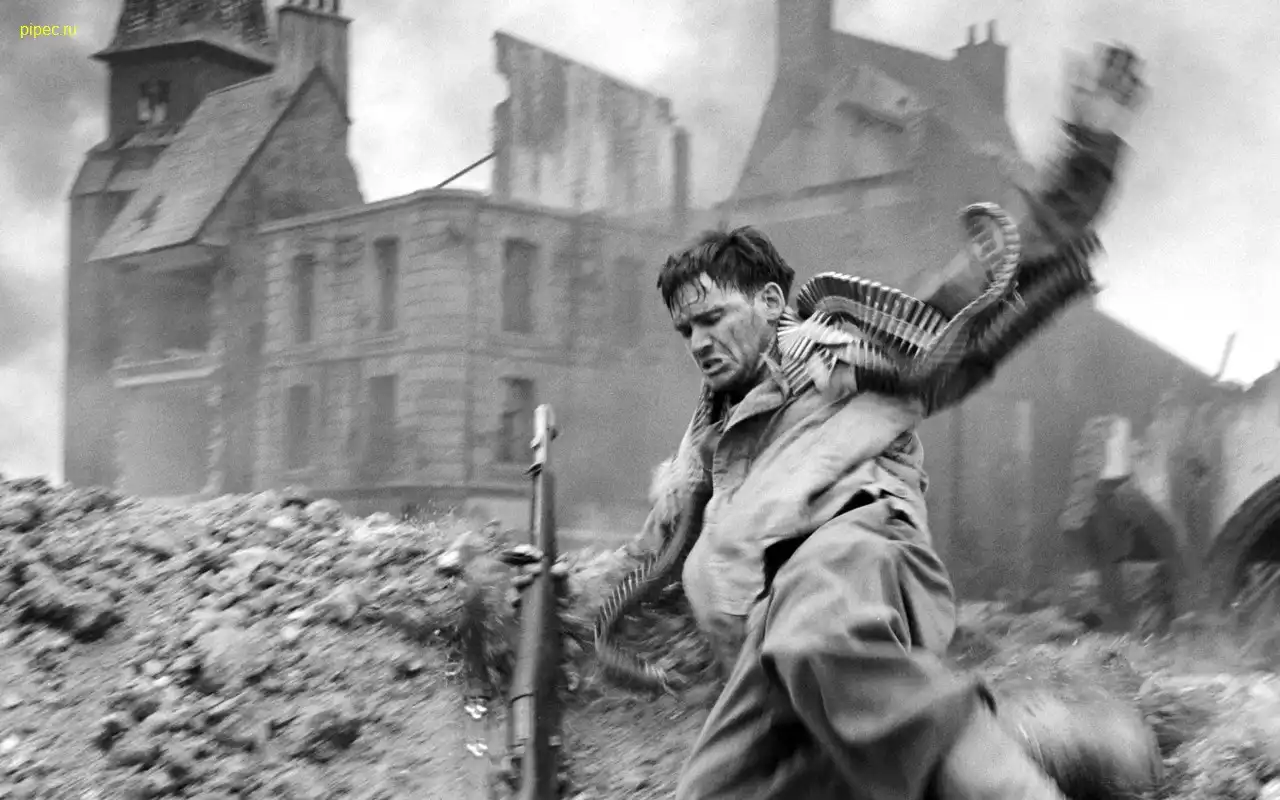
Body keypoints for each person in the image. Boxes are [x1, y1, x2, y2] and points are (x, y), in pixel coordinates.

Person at [627, 43, 1148, 800]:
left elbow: (990, 277)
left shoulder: (844, 346)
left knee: (816, 636)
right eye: (686, 330)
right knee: (714, 788)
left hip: (847, 566)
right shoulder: (706, 442)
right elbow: (650, 557)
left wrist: (1088, 152)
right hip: (767, 651)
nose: (699, 341)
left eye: (712, 318)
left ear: (770, 304)